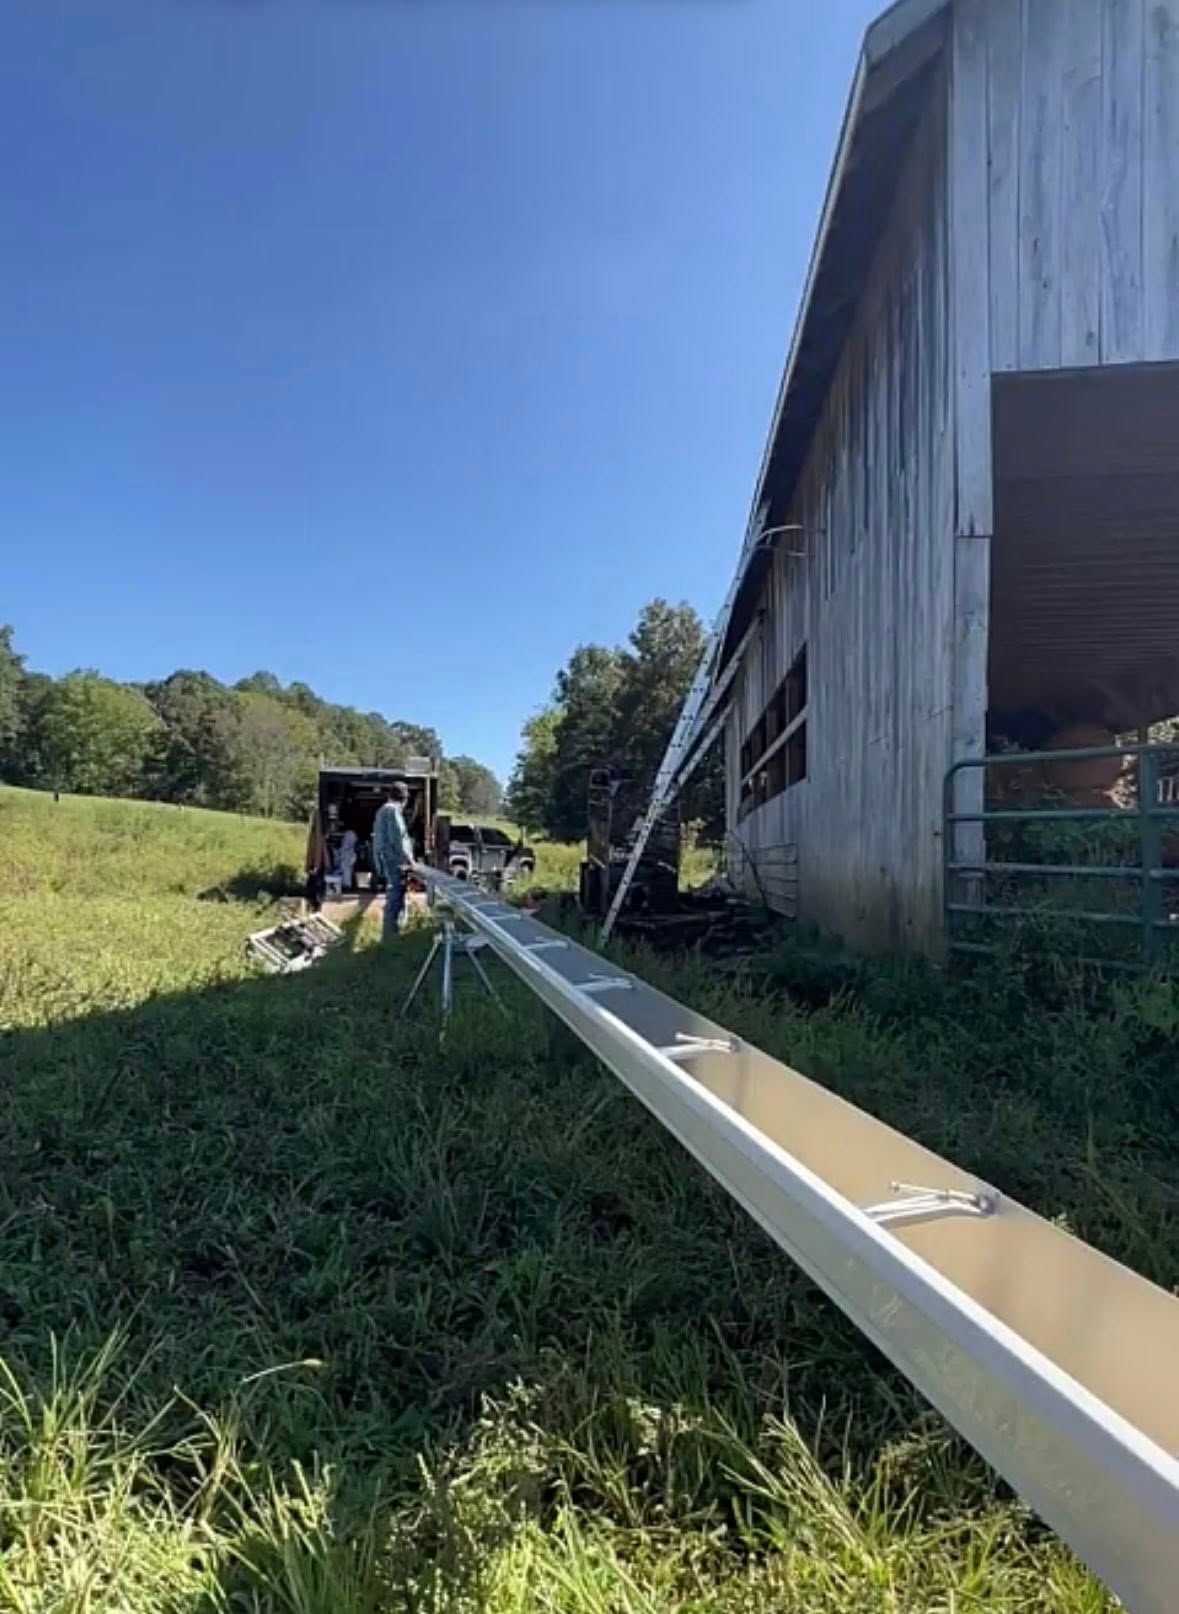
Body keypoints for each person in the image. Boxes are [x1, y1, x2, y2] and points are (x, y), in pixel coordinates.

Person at [372, 782, 417, 940]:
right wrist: (410, 860)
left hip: (385, 860)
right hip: (393, 861)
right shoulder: (392, 811)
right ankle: (391, 937)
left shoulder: (381, 810)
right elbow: (398, 838)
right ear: (403, 799)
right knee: (395, 898)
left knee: (394, 895)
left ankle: (391, 935)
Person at [337, 826, 358, 891]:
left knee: (347, 870)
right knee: (346, 870)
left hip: (347, 859)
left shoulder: (350, 849)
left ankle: (346, 885)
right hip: (345, 859)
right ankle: (346, 884)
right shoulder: (344, 848)